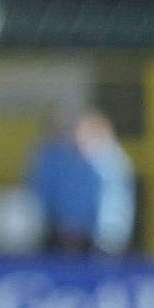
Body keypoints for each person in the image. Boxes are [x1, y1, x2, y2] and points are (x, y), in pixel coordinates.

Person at [28, 107, 135, 255]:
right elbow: (43, 195)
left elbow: (113, 203)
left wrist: (104, 236)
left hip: (99, 241)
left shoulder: (110, 163)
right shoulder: (54, 158)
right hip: (58, 236)